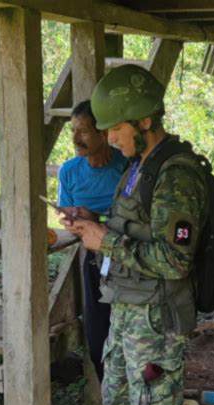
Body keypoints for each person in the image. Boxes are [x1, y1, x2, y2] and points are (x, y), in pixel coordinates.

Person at [61, 64, 208, 405]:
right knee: (119, 400)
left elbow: (174, 258)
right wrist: (94, 219)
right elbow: (139, 230)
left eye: (115, 128)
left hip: (157, 319)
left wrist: (106, 241)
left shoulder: (176, 175)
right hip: (126, 308)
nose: (107, 136)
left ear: (145, 121)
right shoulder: (137, 167)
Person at [58, 100, 126, 383]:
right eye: (72, 131)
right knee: (98, 335)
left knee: (130, 335)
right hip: (95, 260)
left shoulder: (128, 166)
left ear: (104, 133)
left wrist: (94, 218)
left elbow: (139, 222)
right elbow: (68, 217)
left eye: (83, 131)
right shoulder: (69, 171)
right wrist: (74, 218)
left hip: (130, 258)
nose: (75, 139)